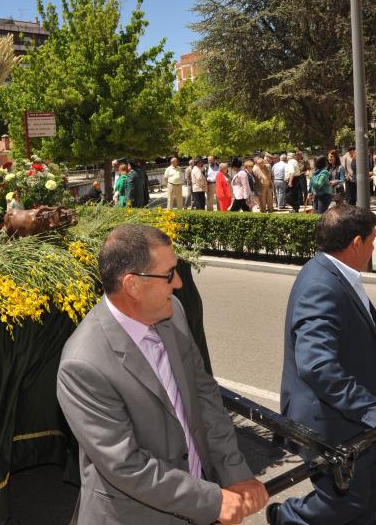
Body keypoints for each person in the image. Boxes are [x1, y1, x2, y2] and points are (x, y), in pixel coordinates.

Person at [57, 224, 268, 525]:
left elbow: (205, 396)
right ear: (132, 285)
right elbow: (127, 466)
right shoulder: (83, 365)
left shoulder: (174, 313)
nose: (179, 283)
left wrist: (234, 473)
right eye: (169, 273)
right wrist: (212, 500)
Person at [268, 205, 376, 525]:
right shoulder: (321, 285)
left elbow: (348, 333)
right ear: (356, 243)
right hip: (330, 419)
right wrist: (375, 410)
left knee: (371, 489)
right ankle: (285, 518)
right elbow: (317, 364)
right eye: (372, 242)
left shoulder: (333, 272)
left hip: (352, 416)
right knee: (346, 501)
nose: (374, 248)